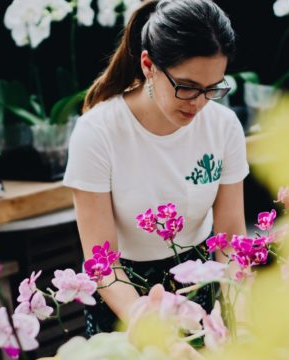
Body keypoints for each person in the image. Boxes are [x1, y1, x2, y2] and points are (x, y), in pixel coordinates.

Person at [63, 0, 249, 337]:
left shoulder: (223, 126)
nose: (199, 103)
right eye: (187, 87)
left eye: (212, 89)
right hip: (123, 296)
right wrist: (150, 328)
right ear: (149, 64)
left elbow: (231, 239)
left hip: (198, 283)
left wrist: (240, 313)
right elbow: (102, 263)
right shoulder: (98, 132)